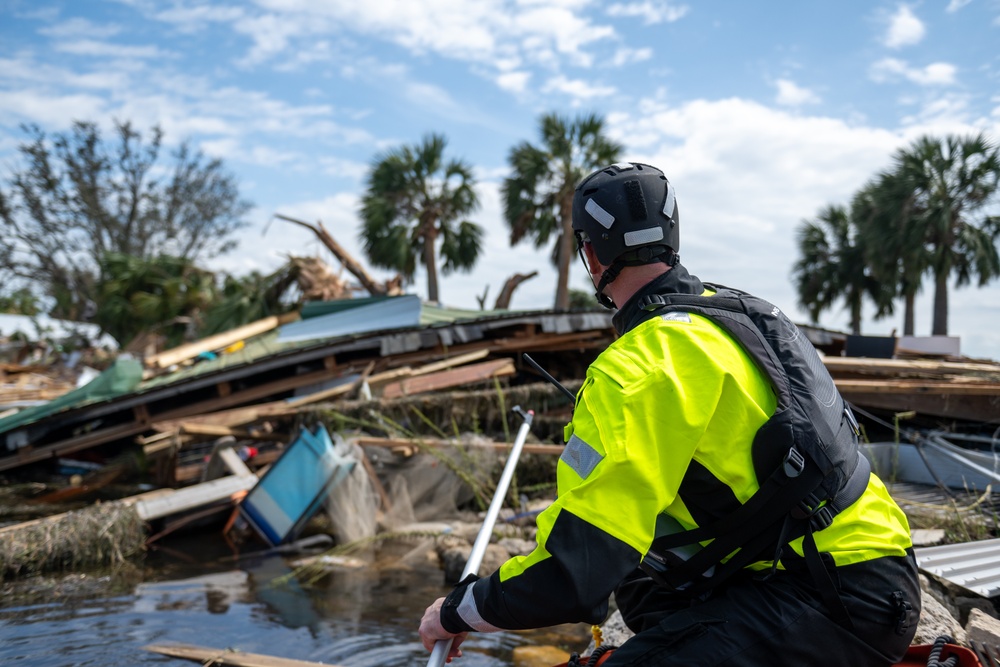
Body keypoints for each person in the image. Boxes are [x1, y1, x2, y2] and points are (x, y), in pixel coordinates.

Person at [419, 162, 920, 666]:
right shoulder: (735, 313)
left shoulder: (633, 368)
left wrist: (458, 610)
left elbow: (575, 572)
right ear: (671, 240)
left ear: (590, 254)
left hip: (823, 595)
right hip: (875, 566)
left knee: (617, 571)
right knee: (637, 578)